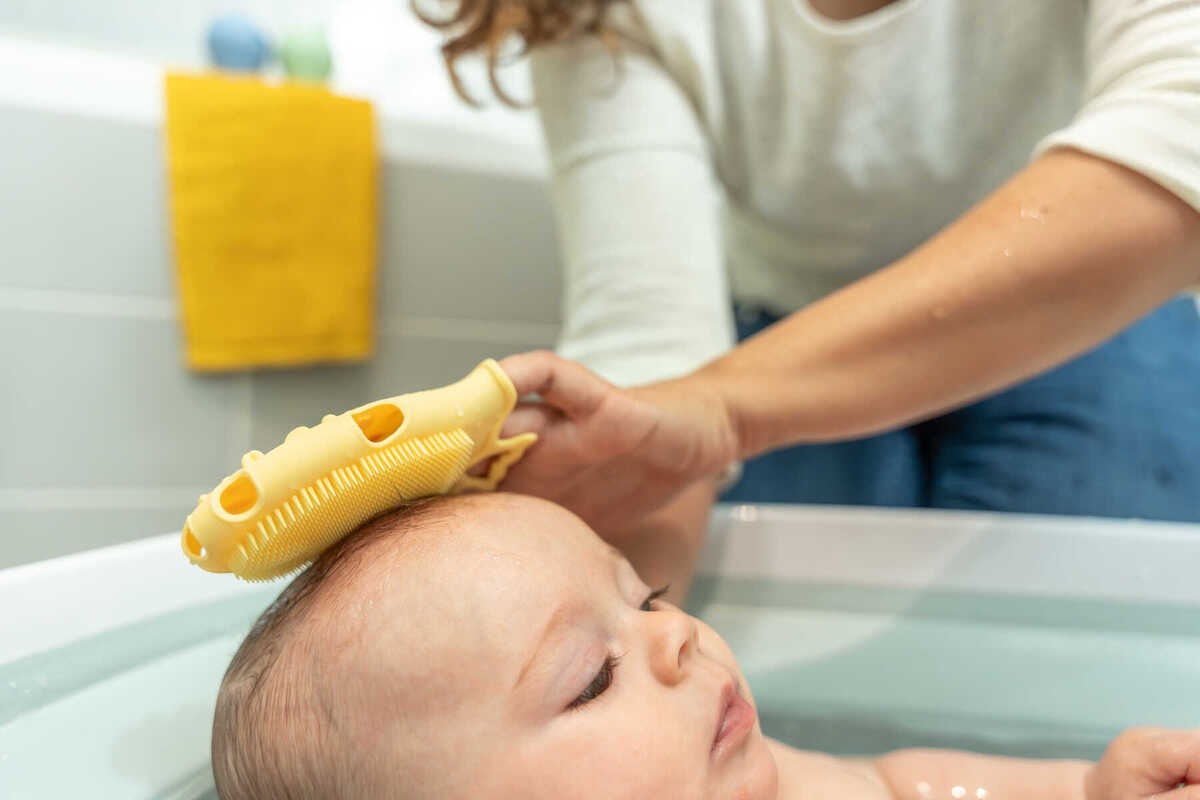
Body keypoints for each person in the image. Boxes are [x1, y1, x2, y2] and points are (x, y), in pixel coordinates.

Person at [416, 0, 1200, 597]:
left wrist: (723, 407)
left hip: (1095, 302)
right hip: (778, 333)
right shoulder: (596, 11)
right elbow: (649, 341)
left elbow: (1179, 130)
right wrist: (626, 627)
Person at [210, 493, 1199, 799]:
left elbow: (902, 785)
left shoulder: (772, 779)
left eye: (646, 597)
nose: (675, 633)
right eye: (592, 677)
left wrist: (1083, 788)